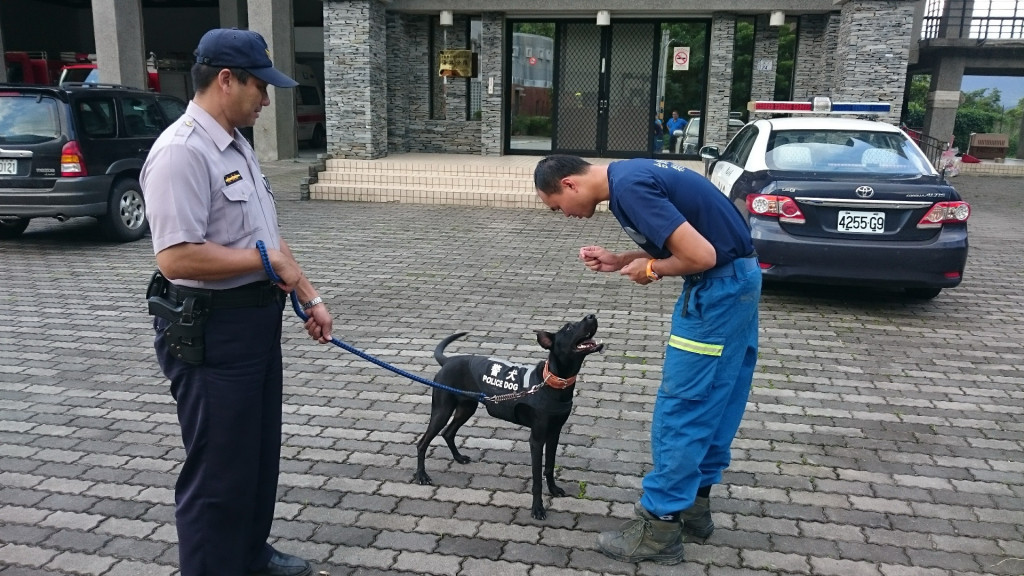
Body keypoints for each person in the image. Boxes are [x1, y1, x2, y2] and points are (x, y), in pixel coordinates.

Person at [141, 28, 333, 576]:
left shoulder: (236, 144)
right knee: (218, 473)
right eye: (260, 88)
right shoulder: (182, 152)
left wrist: (307, 293)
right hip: (211, 334)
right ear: (226, 80)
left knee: (255, 459)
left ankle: (248, 555)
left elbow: (266, 236)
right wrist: (268, 265)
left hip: (253, 328)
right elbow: (176, 258)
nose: (267, 101)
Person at [533, 155, 760, 565]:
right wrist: (621, 260)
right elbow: (692, 239)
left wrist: (652, 269)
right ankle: (694, 510)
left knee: (683, 409)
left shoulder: (630, 188)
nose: (562, 215)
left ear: (568, 184)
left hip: (715, 293)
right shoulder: (632, 173)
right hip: (740, 282)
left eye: (555, 206)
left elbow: (701, 256)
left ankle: (659, 527)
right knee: (718, 400)